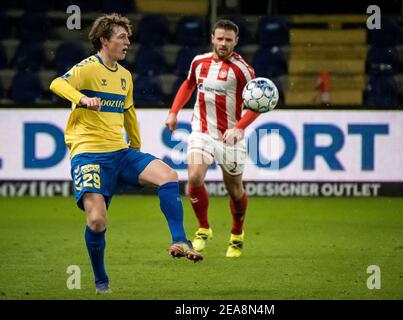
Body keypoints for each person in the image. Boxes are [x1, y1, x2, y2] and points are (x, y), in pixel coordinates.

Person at [50, 13, 202, 294]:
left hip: (121, 152)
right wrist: (82, 98)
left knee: (168, 175)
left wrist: (136, 144)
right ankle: (100, 280)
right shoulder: (87, 68)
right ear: (104, 40)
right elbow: (57, 84)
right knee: (96, 220)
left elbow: (128, 112)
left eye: (128, 37)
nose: (128, 42)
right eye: (121, 37)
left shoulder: (124, 76)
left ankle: (181, 241)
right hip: (89, 154)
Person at [165, 19, 261, 258]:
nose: (223, 43)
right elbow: (188, 85)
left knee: (235, 190)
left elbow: (256, 105)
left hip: (230, 137)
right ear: (212, 38)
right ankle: (203, 228)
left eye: (229, 40)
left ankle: (237, 234)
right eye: (220, 38)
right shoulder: (199, 62)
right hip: (202, 131)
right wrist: (174, 111)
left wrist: (239, 127)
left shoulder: (243, 70)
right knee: (194, 177)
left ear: (236, 41)